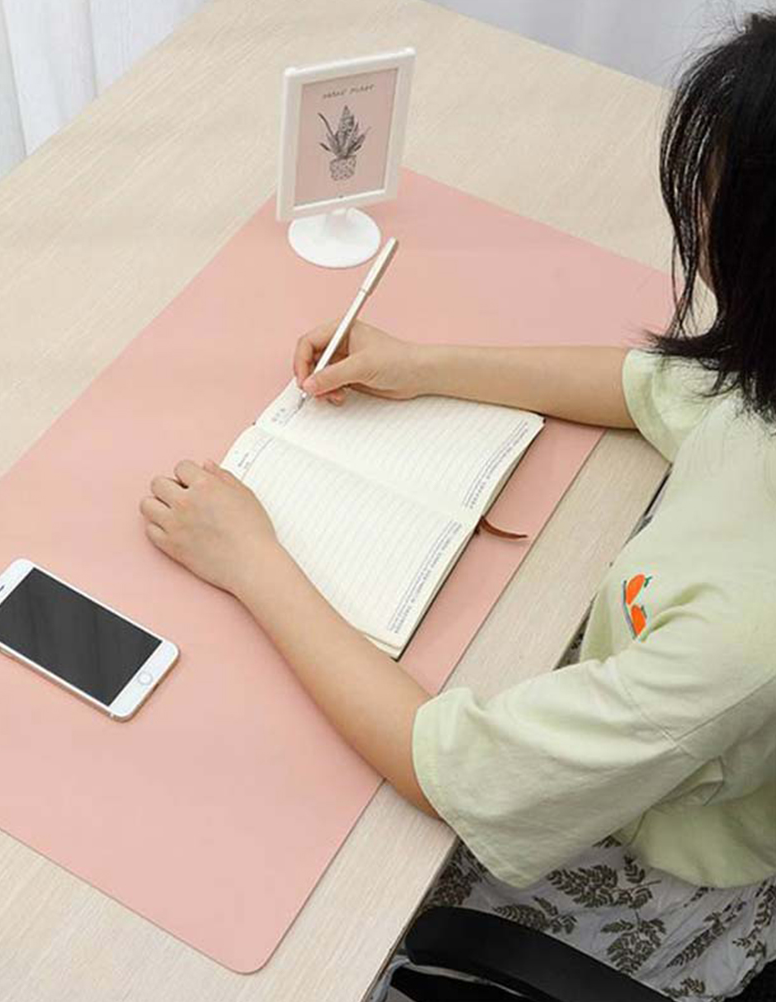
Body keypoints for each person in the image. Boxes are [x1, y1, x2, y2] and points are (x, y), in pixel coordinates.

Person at [138, 12, 775, 999]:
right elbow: (664, 386)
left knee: (274, 889)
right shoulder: (763, 384)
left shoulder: (741, 635)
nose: (693, 218)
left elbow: (454, 773)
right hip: (650, 743)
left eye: (713, 199)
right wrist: (423, 365)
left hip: (653, 874)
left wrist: (250, 561)